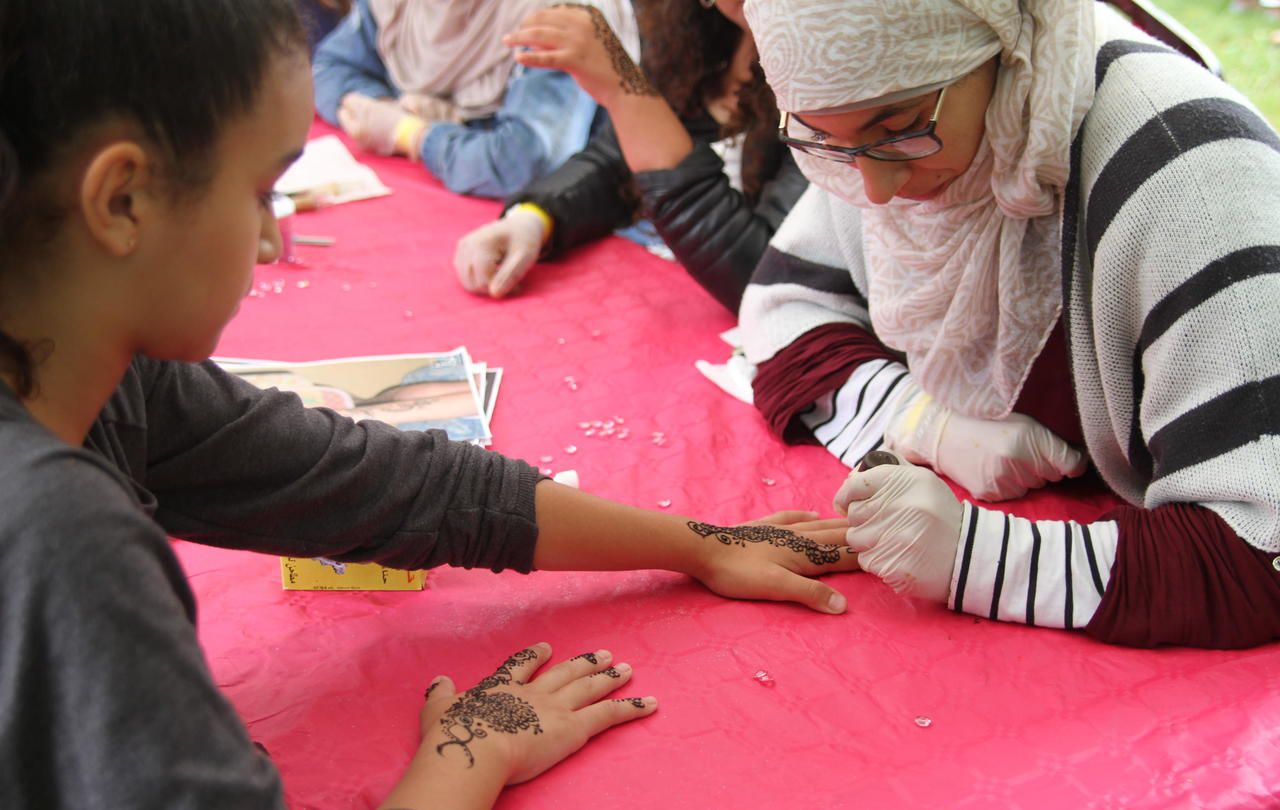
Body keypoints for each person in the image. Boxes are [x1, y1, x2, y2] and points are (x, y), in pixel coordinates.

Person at [0, 1, 858, 806]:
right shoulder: (60, 535)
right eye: (261, 192)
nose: (271, 241)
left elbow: (387, 487)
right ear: (122, 200)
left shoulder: (104, 385)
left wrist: (697, 545)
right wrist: (471, 760)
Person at [738, 0, 1280, 648]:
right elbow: (782, 309)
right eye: (823, 139)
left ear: (1003, 48)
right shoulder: (881, 128)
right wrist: (919, 424)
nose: (875, 191)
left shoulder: (1190, 176)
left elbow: (1259, 551)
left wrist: (981, 557)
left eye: (902, 127)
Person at [453, 0, 806, 312]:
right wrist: (534, 217)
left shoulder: (828, 82)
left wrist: (624, 91)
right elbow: (618, 158)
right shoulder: (701, 35)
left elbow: (767, 276)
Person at [312, 0, 638, 199]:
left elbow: (523, 164)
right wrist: (382, 105)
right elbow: (328, 68)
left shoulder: (555, 13)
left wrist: (411, 133)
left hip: (574, 215)